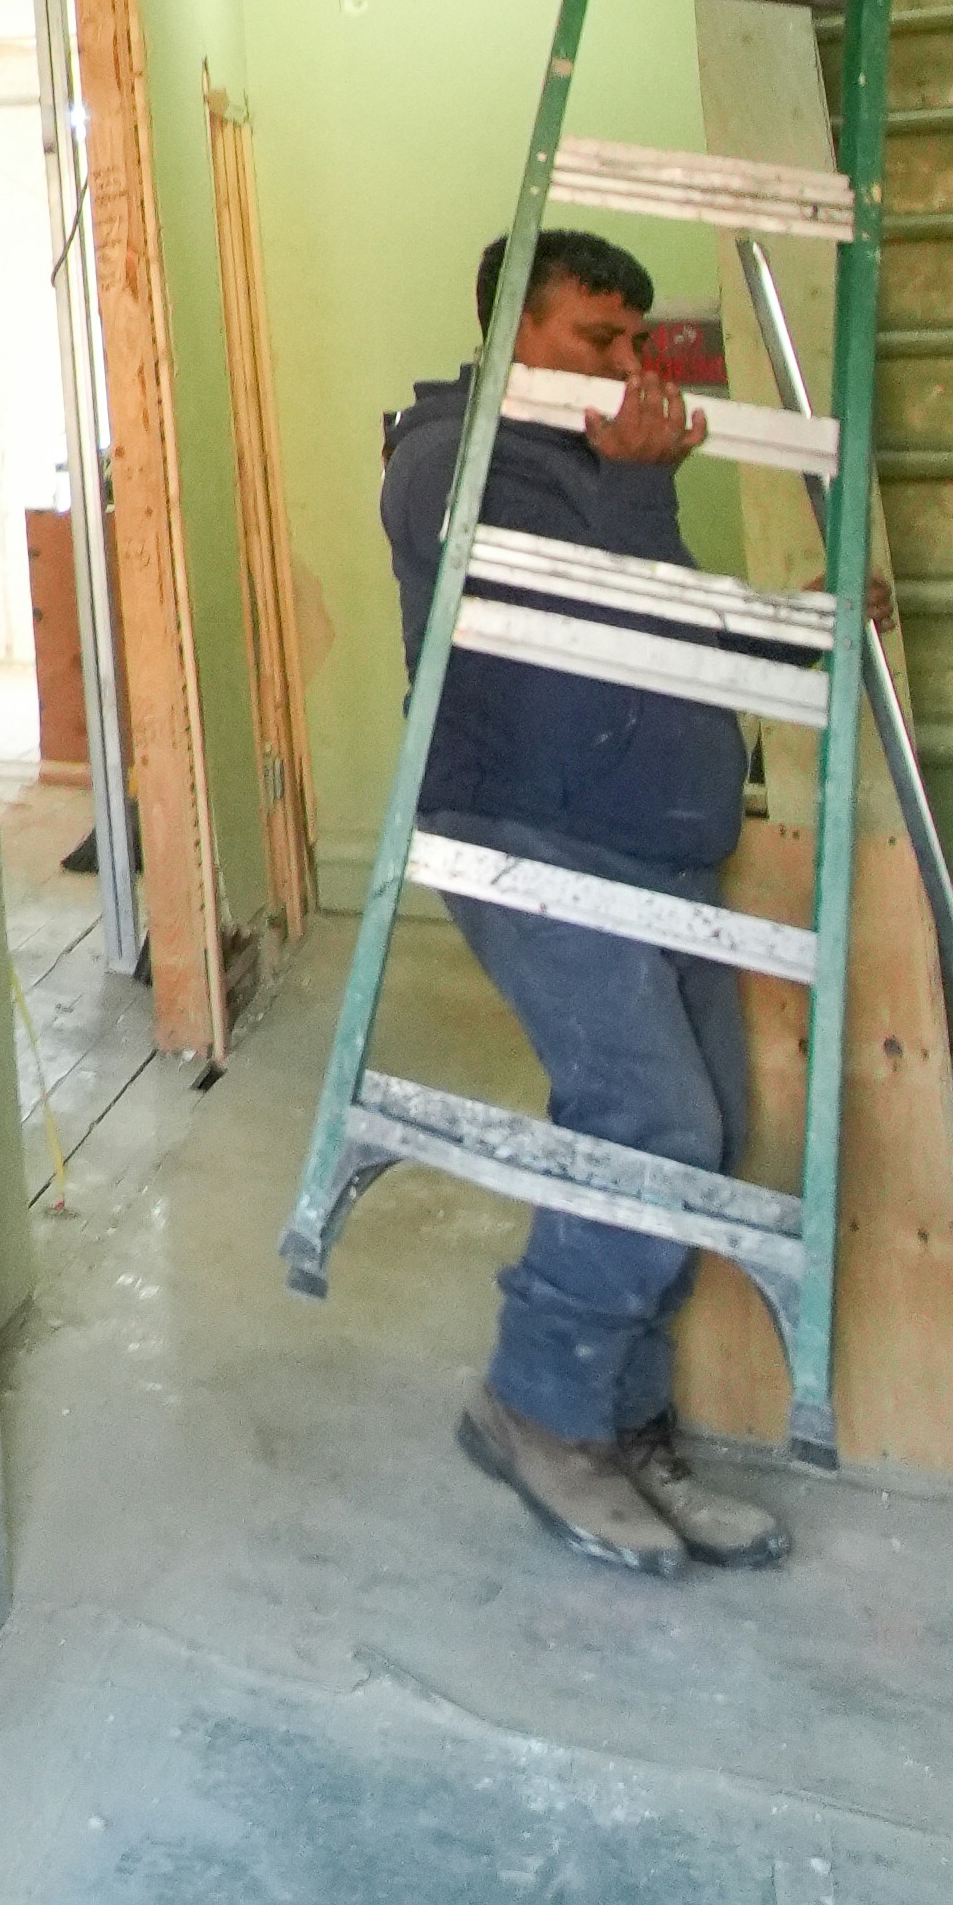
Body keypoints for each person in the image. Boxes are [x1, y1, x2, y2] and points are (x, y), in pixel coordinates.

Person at [369, 225, 795, 1575]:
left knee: (697, 1129)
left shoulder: (600, 464)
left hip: (659, 845)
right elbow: (617, 617)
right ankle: (539, 1406)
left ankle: (622, 1424)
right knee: (650, 1115)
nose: (630, 366)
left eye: (637, 339)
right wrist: (638, 490)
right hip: (532, 838)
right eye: (597, 342)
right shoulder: (449, 463)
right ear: (512, 338)